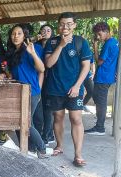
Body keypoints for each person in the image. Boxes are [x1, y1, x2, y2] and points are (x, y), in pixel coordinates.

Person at [45, 12, 91, 167]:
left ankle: (78, 154)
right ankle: (59, 146)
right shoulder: (52, 42)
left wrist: (78, 85)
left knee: (76, 119)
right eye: (62, 24)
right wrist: (61, 45)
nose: (65, 27)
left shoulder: (81, 42)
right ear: (58, 25)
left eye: (69, 24)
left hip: (74, 88)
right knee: (58, 117)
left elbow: (86, 66)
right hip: (55, 87)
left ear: (74, 25)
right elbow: (49, 64)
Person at [5, 24, 48, 158]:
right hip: (18, 91)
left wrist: (33, 53)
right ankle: (28, 149)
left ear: (24, 35)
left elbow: (41, 69)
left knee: (26, 122)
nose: (15, 36)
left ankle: (41, 149)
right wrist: (5, 72)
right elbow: (12, 75)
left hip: (31, 91)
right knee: (20, 121)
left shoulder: (33, 48)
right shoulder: (13, 52)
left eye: (19, 33)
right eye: (13, 34)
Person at [85, 22, 119, 135]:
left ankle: (100, 127)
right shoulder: (115, 42)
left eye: (99, 34)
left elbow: (99, 61)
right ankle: (100, 123)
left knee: (101, 102)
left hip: (103, 77)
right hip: (107, 76)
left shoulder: (108, 43)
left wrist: (95, 46)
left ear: (106, 31)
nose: (98, 37)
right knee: (98, 99)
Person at [33, 24, 55, 144]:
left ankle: (47, 136)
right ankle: (45, 134)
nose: (46, 32)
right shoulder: (36, 46)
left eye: (48, 30)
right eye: (43, 30)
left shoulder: (55, 45)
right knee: (39, 109)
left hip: (51, 79)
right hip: (38, 79)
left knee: (48, 109)